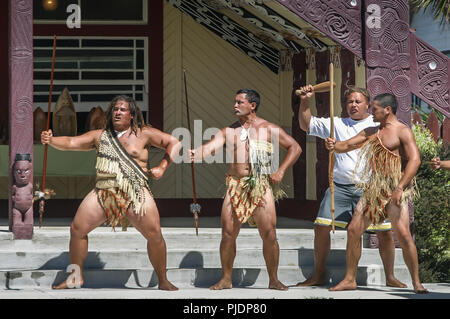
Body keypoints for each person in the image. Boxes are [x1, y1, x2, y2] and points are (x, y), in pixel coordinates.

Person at [41, 95, 181, 291]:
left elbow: (175, 143)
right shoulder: (99, 135)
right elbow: (72, 142)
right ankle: (75, 276)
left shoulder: (144, 134)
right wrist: (51, 140)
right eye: (115, 109)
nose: (117, 112)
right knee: (77, 229)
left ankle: (163, 279)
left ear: (131, 115)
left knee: (155, 234)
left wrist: (162, 167)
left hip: (135, 191)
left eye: (122, 110)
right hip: (103, 191)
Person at [190, 89, 301, 290]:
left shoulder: (268, 128)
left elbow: (295, 147)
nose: (235, 105)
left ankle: (274, 279)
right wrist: (197, 153)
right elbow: (210, 148)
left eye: (239, 102)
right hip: (235, 185)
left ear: (252, 105)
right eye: (235, 101)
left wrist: (281, 171)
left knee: (269, 234)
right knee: (228, 233)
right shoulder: (228, 131)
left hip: (260, 185)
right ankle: (226, 278)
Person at [296, 85, 405, 288]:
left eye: (358, 101)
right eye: (349, 102)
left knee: (383, 232)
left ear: (368, 105)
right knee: (321, 227)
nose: (353, 105)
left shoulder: (377, 126)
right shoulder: (336, 123)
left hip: (371, 189)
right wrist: (305, 101)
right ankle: (318, 274)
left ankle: (390, 276)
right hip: (340, 188)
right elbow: (306, 124)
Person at [325, 93, 428, 293]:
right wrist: (333, 145)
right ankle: (349, 279)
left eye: (375, 109)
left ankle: (417, 282)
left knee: (404, 236)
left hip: (395, 189)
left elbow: (415, 160)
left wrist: (399, 188)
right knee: (354, 230)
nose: (372, 112)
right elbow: (346, 145)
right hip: (374, 189)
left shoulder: (402, 132)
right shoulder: (372, 132)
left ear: (387, 110)